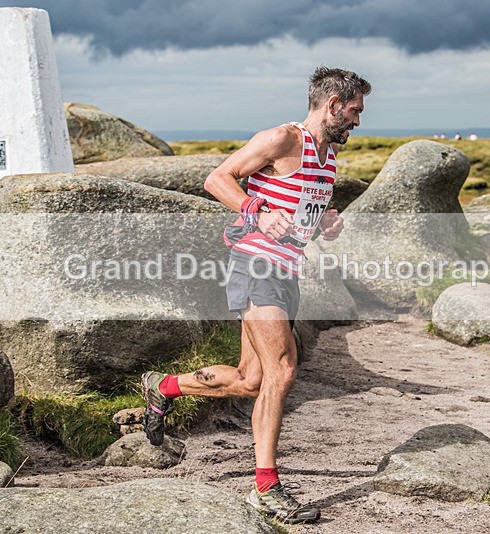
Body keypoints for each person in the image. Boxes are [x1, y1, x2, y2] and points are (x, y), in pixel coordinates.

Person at [141, 66, 371, 525]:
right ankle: (265, 489)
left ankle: (162, 386)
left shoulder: (327, 157)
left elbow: (303, 209)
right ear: (331, 105)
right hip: (256, 266)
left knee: (251, 380)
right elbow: (217, 178)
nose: (358, 121)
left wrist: (324, 221)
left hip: (287, 272)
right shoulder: (281, 139)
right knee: (283, 369)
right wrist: (256, 210)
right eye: (354, 111)